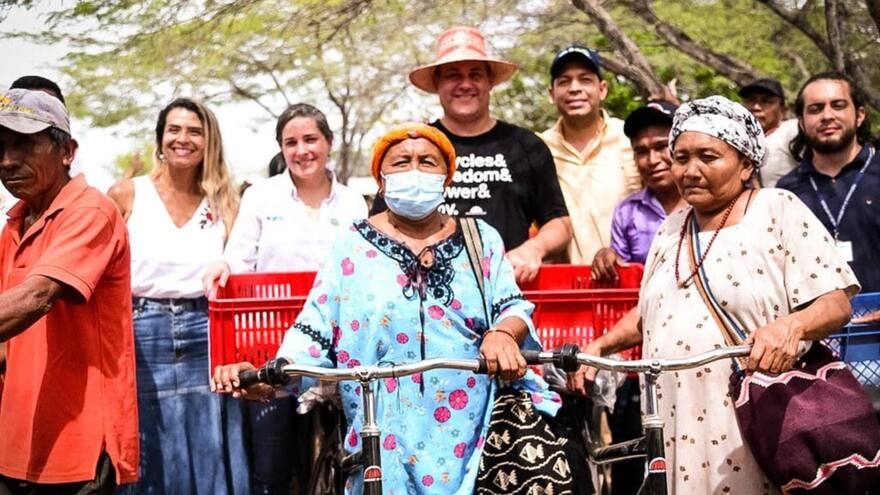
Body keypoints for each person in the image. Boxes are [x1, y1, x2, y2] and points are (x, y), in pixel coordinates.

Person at [213, 123, 570, 494]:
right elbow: (314, 329)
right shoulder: (351, 245)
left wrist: (503, 333)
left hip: (474, 440)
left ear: (446, 177)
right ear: (381, 181)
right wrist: (269, 377)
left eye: (427, 161)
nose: (415, 170)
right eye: (401, 162)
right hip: (381, 440)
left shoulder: (481, 239)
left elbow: (511, 304)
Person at [568, 95, 859, 494]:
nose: (690, 170)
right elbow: (652, 312)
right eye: (681, 158)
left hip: (753, 414)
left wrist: (790, 328)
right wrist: (601, 346)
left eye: (708, 157)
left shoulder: (777, 209)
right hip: (675, 415)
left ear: (746, 164)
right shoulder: (670, 229)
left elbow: (836, 302)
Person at [202, 103, 367, 495]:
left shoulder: (352, 203)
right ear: (281, 147)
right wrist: (223, 266)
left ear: (328, 143)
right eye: (291, 142)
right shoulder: (262, 196)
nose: (302, 150)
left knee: (340, 462)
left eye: (311, 139)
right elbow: (238, 258)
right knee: (271, 466)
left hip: (336, 348)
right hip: (269, 344)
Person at [107, 98, 249, 495]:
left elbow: (240, 265)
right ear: (160, 138)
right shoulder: (126, 194)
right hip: (141, 331)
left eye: (194, 131)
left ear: (208, 141)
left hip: (208, 331)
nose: (183, 139)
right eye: (174, 129)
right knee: (147, 438)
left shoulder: (224, 201)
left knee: (210, 439)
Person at [0, 89, 139, 492]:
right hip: (18, 440)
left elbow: (36, 296)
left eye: (24, 144)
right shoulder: (16, 223)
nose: (7, 161)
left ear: (67, 152)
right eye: (0, 148)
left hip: (78, 443)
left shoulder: (91, 211)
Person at [373, 26, 571, 283]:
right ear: (437, 83)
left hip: (508, 289)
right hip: (424, 289)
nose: (465, 84)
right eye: (453, 75)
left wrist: (533, 249)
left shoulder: (526, 145)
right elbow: (380, 221)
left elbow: (559, 223)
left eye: (475, 74)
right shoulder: (414, 146)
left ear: (489, 82)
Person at [777, 72, 879, 293]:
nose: (827, 116)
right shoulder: (787, 192)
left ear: (859, 115)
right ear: (802, 122)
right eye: (815, 109)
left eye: (838, 106)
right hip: (820, 314)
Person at [539, 44, 641, 265]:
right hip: (564, 281)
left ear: (602, 89)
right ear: (551, 93)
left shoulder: (631, 140)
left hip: (629, 278)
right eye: (564, 82)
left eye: (585, 80)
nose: (574, 88)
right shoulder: (538, 149)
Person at [591, 100, 685, 282]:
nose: (652, 160)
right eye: (641, 151)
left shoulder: (708, 204)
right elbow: (623, 277)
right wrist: (608, 258)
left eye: (661, 146)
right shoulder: (627, 212)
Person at [738, 78, 799, 187]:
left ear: (783, 110)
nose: (756, 107)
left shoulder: (792, 131)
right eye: (751, 100)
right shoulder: (738, 140)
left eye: (766, 101)